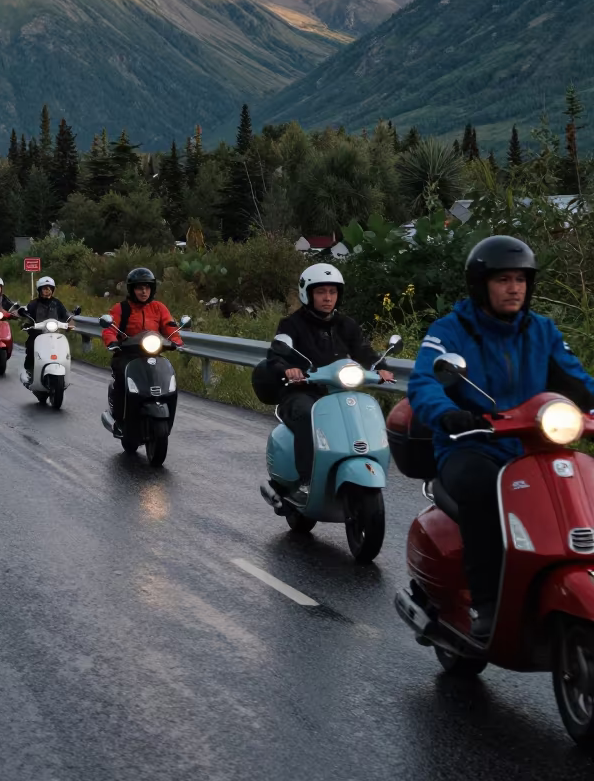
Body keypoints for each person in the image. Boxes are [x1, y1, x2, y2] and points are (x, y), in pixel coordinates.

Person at [408, 235, 594, 639]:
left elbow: (577, 379)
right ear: (481, 285)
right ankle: (486, 603)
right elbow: (424, 380)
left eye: (521, 279)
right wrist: (447, 414)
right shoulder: (450, 330)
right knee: (482, 491)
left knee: (583, 487)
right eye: (503, 279)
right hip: (473, 444)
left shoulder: (542, 330)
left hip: (536, 445)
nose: (514, 288)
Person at [253, 263, 394, 505]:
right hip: (301, 392)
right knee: (308, 414)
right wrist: (289, 369)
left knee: (364, 411)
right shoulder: (291, 324)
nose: (327, 298)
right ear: (307, 293)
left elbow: (363, 351)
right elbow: (275, 355)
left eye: (332, 292)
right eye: (321, 292)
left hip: (338, 391)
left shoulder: (346, 324)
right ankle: (306, 481)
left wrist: (378, 366)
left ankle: (360, 467)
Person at [101, 267, 184, 427]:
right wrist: (112, 341)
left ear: (152, 289)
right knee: (121, 378)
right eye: (139, 288)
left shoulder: (159, 307)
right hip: (127, 353)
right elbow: (109, 328)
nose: (144, 291)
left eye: (147, 287)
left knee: (167, 379)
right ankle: (119, 419)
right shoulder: (122, 308)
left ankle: (166, 414)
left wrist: (176, 340)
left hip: (153, 354)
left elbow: (169, 326)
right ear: (132, 289)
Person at [24, 277, 70, 382]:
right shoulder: (33, 304)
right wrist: (26, 324)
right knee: (31, 347)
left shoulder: (57, 303)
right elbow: (26, 315)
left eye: (49, 289)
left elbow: (66, 315)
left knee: (63, 350)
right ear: (39, 290)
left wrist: (70, 324)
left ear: (52, 290)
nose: (46, 291)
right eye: (44, 289)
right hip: (37, 334)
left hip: (55, 335)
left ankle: (63, 369)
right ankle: (30, 370)